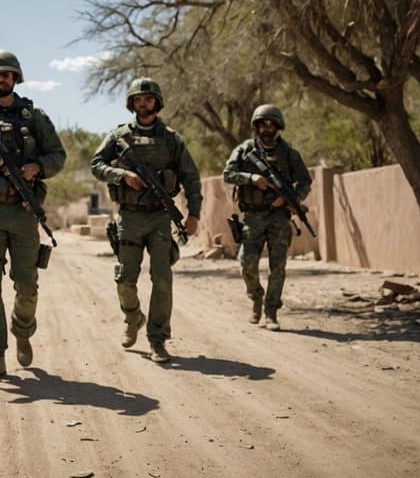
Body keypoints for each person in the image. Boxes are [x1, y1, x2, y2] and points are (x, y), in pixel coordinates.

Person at [89, 77, 201, 364]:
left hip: (160, 217)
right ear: (132, 103)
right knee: (126, 280)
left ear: (157, 102)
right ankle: (133, 317)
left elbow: (190, 177)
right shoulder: (117, 137)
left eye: (148, 98)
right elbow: (97, 164)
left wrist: (194, 214)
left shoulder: (171, 139)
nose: (143, 103)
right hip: (128, 216)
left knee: (162, 279)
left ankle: (158, 340)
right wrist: (123, 175)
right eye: (138, 99)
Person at [0, 49, 66, 382]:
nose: (2, 79)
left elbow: (58, 155)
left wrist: (37, 167)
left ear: (16, 78)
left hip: (25, 214)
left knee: (26, 287)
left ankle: (22, 330)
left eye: (7, 74)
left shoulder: (33, 115)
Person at [222, 104, 312, 331]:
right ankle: (256, 298)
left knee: (278, 267)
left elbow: (304, 181)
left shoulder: (290, 154)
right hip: (252, 216)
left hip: (279, 218)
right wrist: (251, 178)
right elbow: (228, 174)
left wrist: (290, 199)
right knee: (246, 262)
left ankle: (271, 312)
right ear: (257, 126)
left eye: (272, 123)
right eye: (263, 123)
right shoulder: (244, 150)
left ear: (278, 126)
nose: (267, 127)